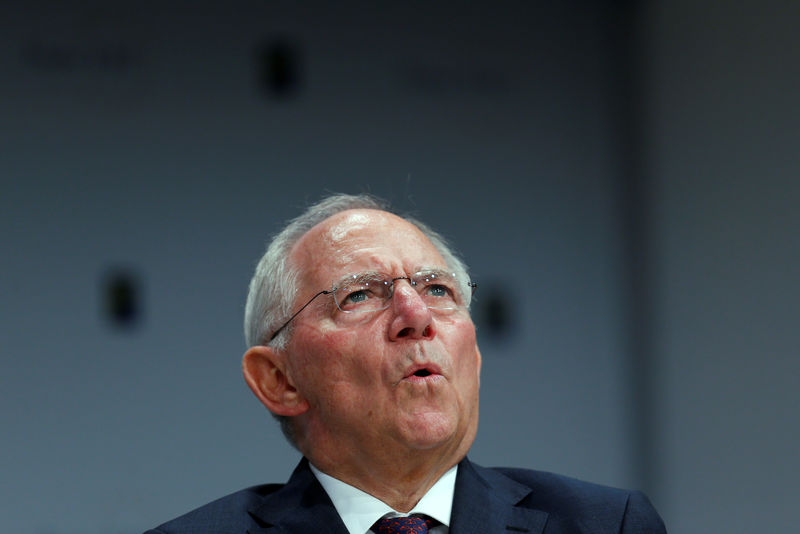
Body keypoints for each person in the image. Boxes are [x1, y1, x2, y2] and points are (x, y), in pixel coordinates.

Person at [145, 193, 666, 534]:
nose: (415, 316)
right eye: (358, 297)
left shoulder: (606, 525)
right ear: (279, 381)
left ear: (475, 355)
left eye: (438, 289)